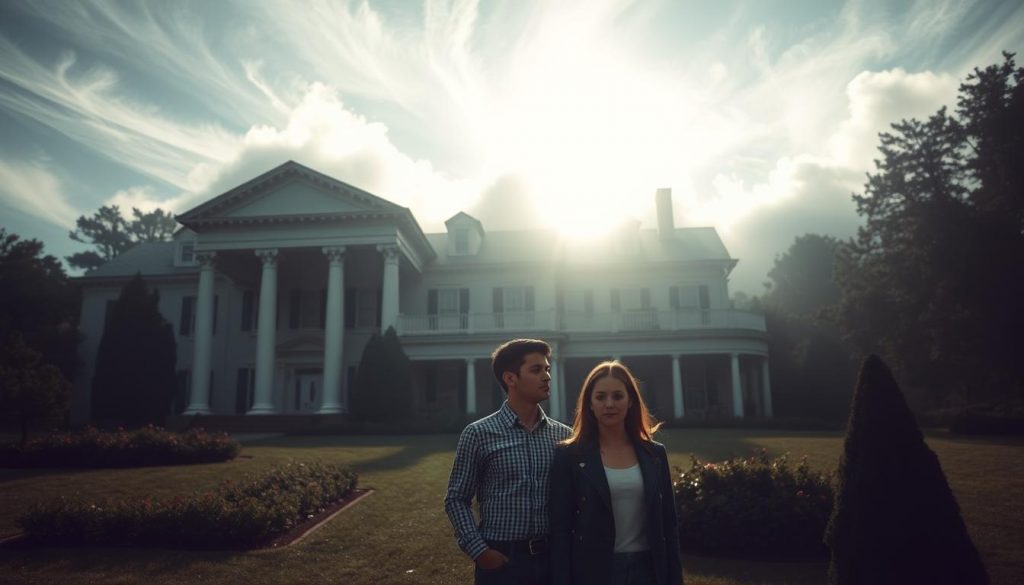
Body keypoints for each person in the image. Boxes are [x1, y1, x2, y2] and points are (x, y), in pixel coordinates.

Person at [445, 338, 572, 585]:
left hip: (552, 558)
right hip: (502, 560)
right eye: (536, 370)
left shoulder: (563, 436)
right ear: (510, 378)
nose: (547, 376)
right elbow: (456, 499)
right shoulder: (479, 433)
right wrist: (480, 552)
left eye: (547, 369)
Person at [549, 361, 683, 585]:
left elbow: (669, 525)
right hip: (595, 570)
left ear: (631, 400)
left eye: (617, 396)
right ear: (589, 404)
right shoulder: (570, 456)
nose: (609, 404)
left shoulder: (655, 454)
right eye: (600, 397)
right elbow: (560, 530)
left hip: (648, 570)